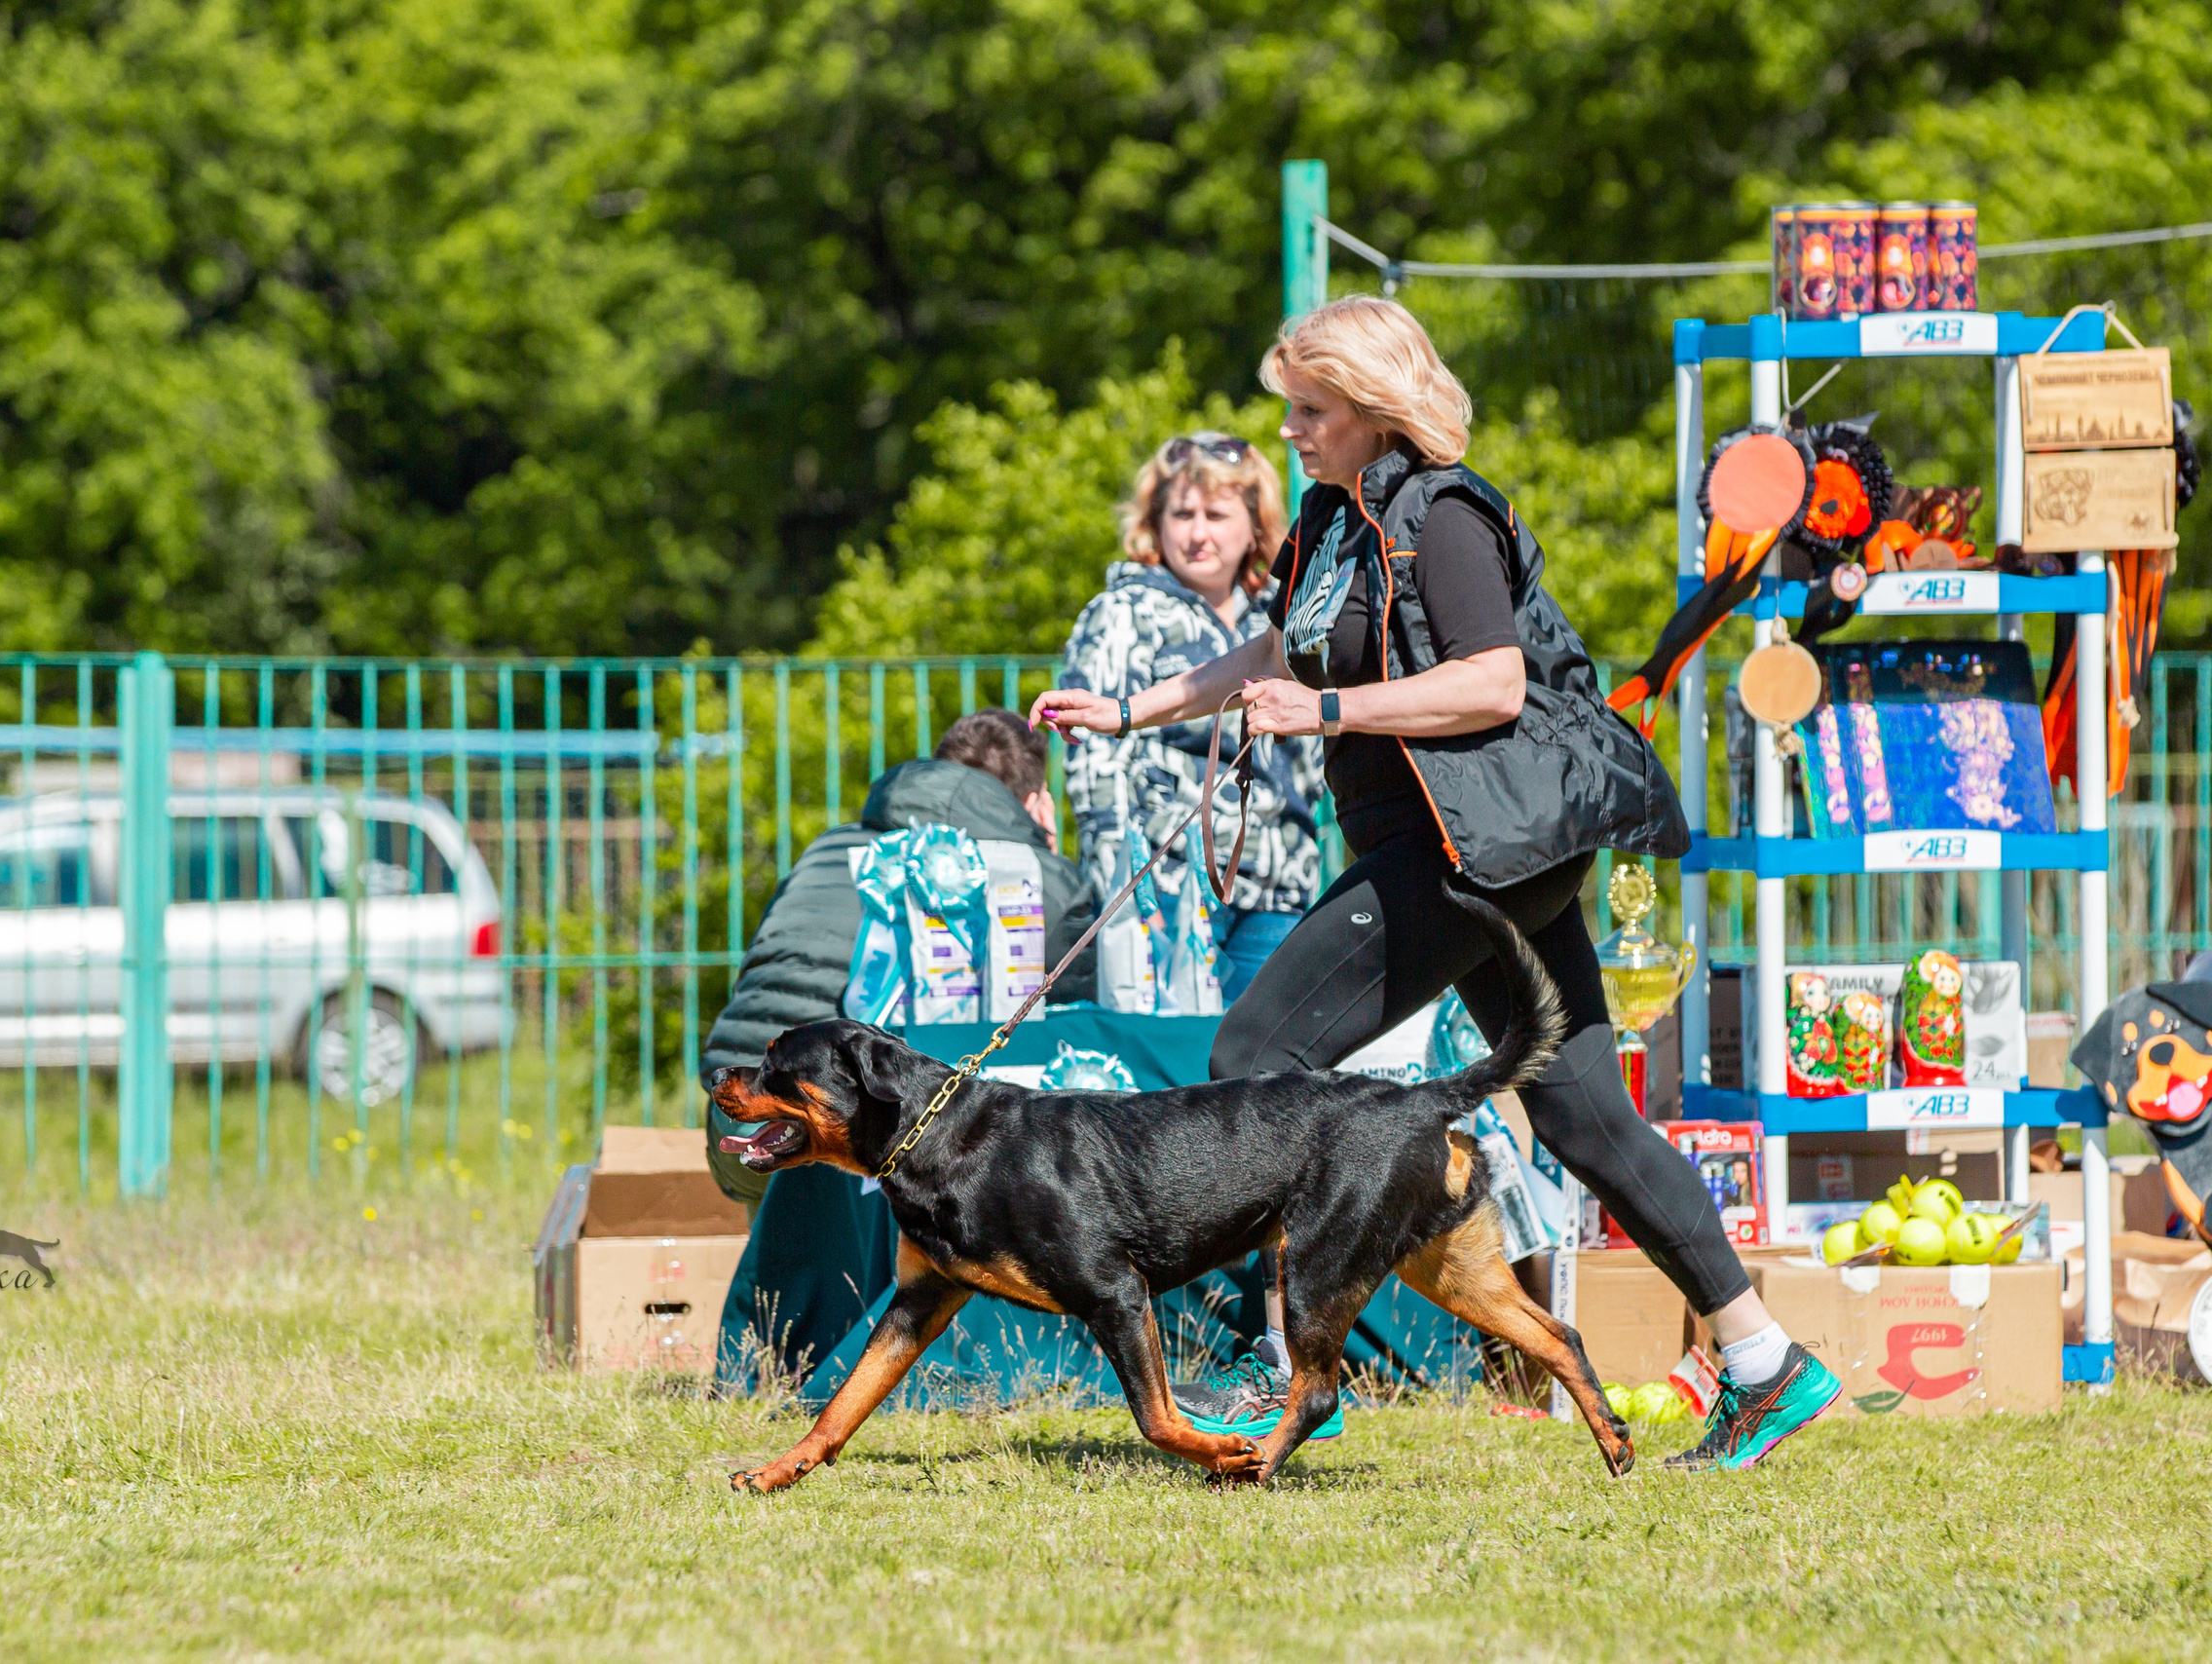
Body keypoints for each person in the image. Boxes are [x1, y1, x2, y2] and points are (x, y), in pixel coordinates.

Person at [1032, 294, 1841, 1472]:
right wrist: (1129, 709)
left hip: (1472, 851)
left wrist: (1329, 711)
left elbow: (1494, 683)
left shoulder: (1443, 513)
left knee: (1256, 1053)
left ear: (1369, 408)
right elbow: (1278, 652)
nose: (1293, 432)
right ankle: (1766, 1364)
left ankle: (1295, 1365)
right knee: (1582, 1115)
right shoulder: (1327, 519)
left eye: (1309, 411)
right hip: (1463, 852)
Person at [701, 709, 1097, 1213]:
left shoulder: (827, 849)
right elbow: (1074, 1042)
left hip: (733, 1124)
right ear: (1034, 802)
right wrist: (1048, 851)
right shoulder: (1040, 878)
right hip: (850, 1140)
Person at [1057, 433, 1325, 1000]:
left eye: (1216, 514)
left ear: (1255, 525)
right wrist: (1118, 895)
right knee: (1175, 1077)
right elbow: (1093, 760)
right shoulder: (1124, 612)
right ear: (1155, 524)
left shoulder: (1285, 617)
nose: (1197, 532)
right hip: (1168, 894)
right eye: (1181, 513)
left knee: (1273, 1072)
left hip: (1279, 895)